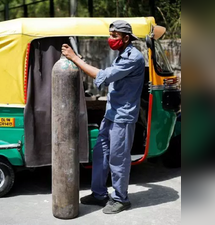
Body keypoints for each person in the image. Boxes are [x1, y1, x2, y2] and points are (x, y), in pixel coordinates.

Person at [61, 20, 145, 214]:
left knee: (118, 159)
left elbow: (104, 77)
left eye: (114, 36)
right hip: (111, 113)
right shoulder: (121, 54)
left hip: (122, 117)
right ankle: (99, 194)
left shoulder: (133, 57)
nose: (111, 39)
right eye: (110, 34)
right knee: (100, 154)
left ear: (126, 37)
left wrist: (76, 59)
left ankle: (121, 199)